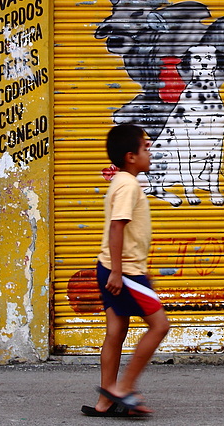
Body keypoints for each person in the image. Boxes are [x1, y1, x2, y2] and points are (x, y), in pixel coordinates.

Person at [82, 123, 170, 418]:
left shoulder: (122, 181)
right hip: (124, 272)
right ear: (131, 156)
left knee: (117, 330)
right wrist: (119, 273)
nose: (150, 151)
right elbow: (116, 227)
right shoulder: (128, 185)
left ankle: (105, 401)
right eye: (146, 148)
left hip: (117, 268)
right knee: (159, 326)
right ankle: (123, 388)